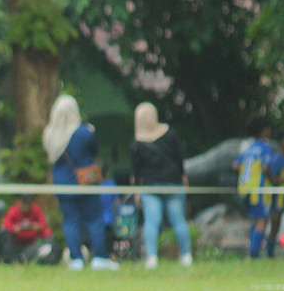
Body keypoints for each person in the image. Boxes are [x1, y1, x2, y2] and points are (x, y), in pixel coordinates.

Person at [42, 94, 119, 271]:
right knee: (94, 219)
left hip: (62, 184)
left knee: (70, 221)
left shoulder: (50, 134)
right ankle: (100, 257)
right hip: (85, 183)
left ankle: (75, 259)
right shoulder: (83, 132)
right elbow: (94, 149)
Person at [129, 102, 193, 268]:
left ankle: (152, 258)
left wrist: (137, 189)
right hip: (173, 183)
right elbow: (180, 158)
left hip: (150, 187)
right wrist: (182, 176)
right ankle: (186, 256)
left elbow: (137, 171)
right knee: (179, 220)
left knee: (152, 221)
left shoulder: (137, 144)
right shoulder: (170, 134)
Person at [233, 120, 284, 259]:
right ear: (263, 131)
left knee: (255, 220)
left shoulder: (248, 147)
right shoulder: (265, 147)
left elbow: (235, 166)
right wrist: (272, 179)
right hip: (259, 189)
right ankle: (254, 254)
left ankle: (254, 249)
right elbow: (265, 167)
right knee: (262, 220)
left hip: (245, 189)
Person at [0, 195, 53, 264]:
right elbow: (6, 226)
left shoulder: (36, 210)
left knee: (48, 241)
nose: (26, 206)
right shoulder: (13, 211)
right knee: (4, 234)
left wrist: (37, 227)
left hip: (33, 244)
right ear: (18, 202)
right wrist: (15, 229)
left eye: (28, 203)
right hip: (16, 244)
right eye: (24, 203)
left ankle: (32, 258)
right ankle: (10, 259)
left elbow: (43, 226)